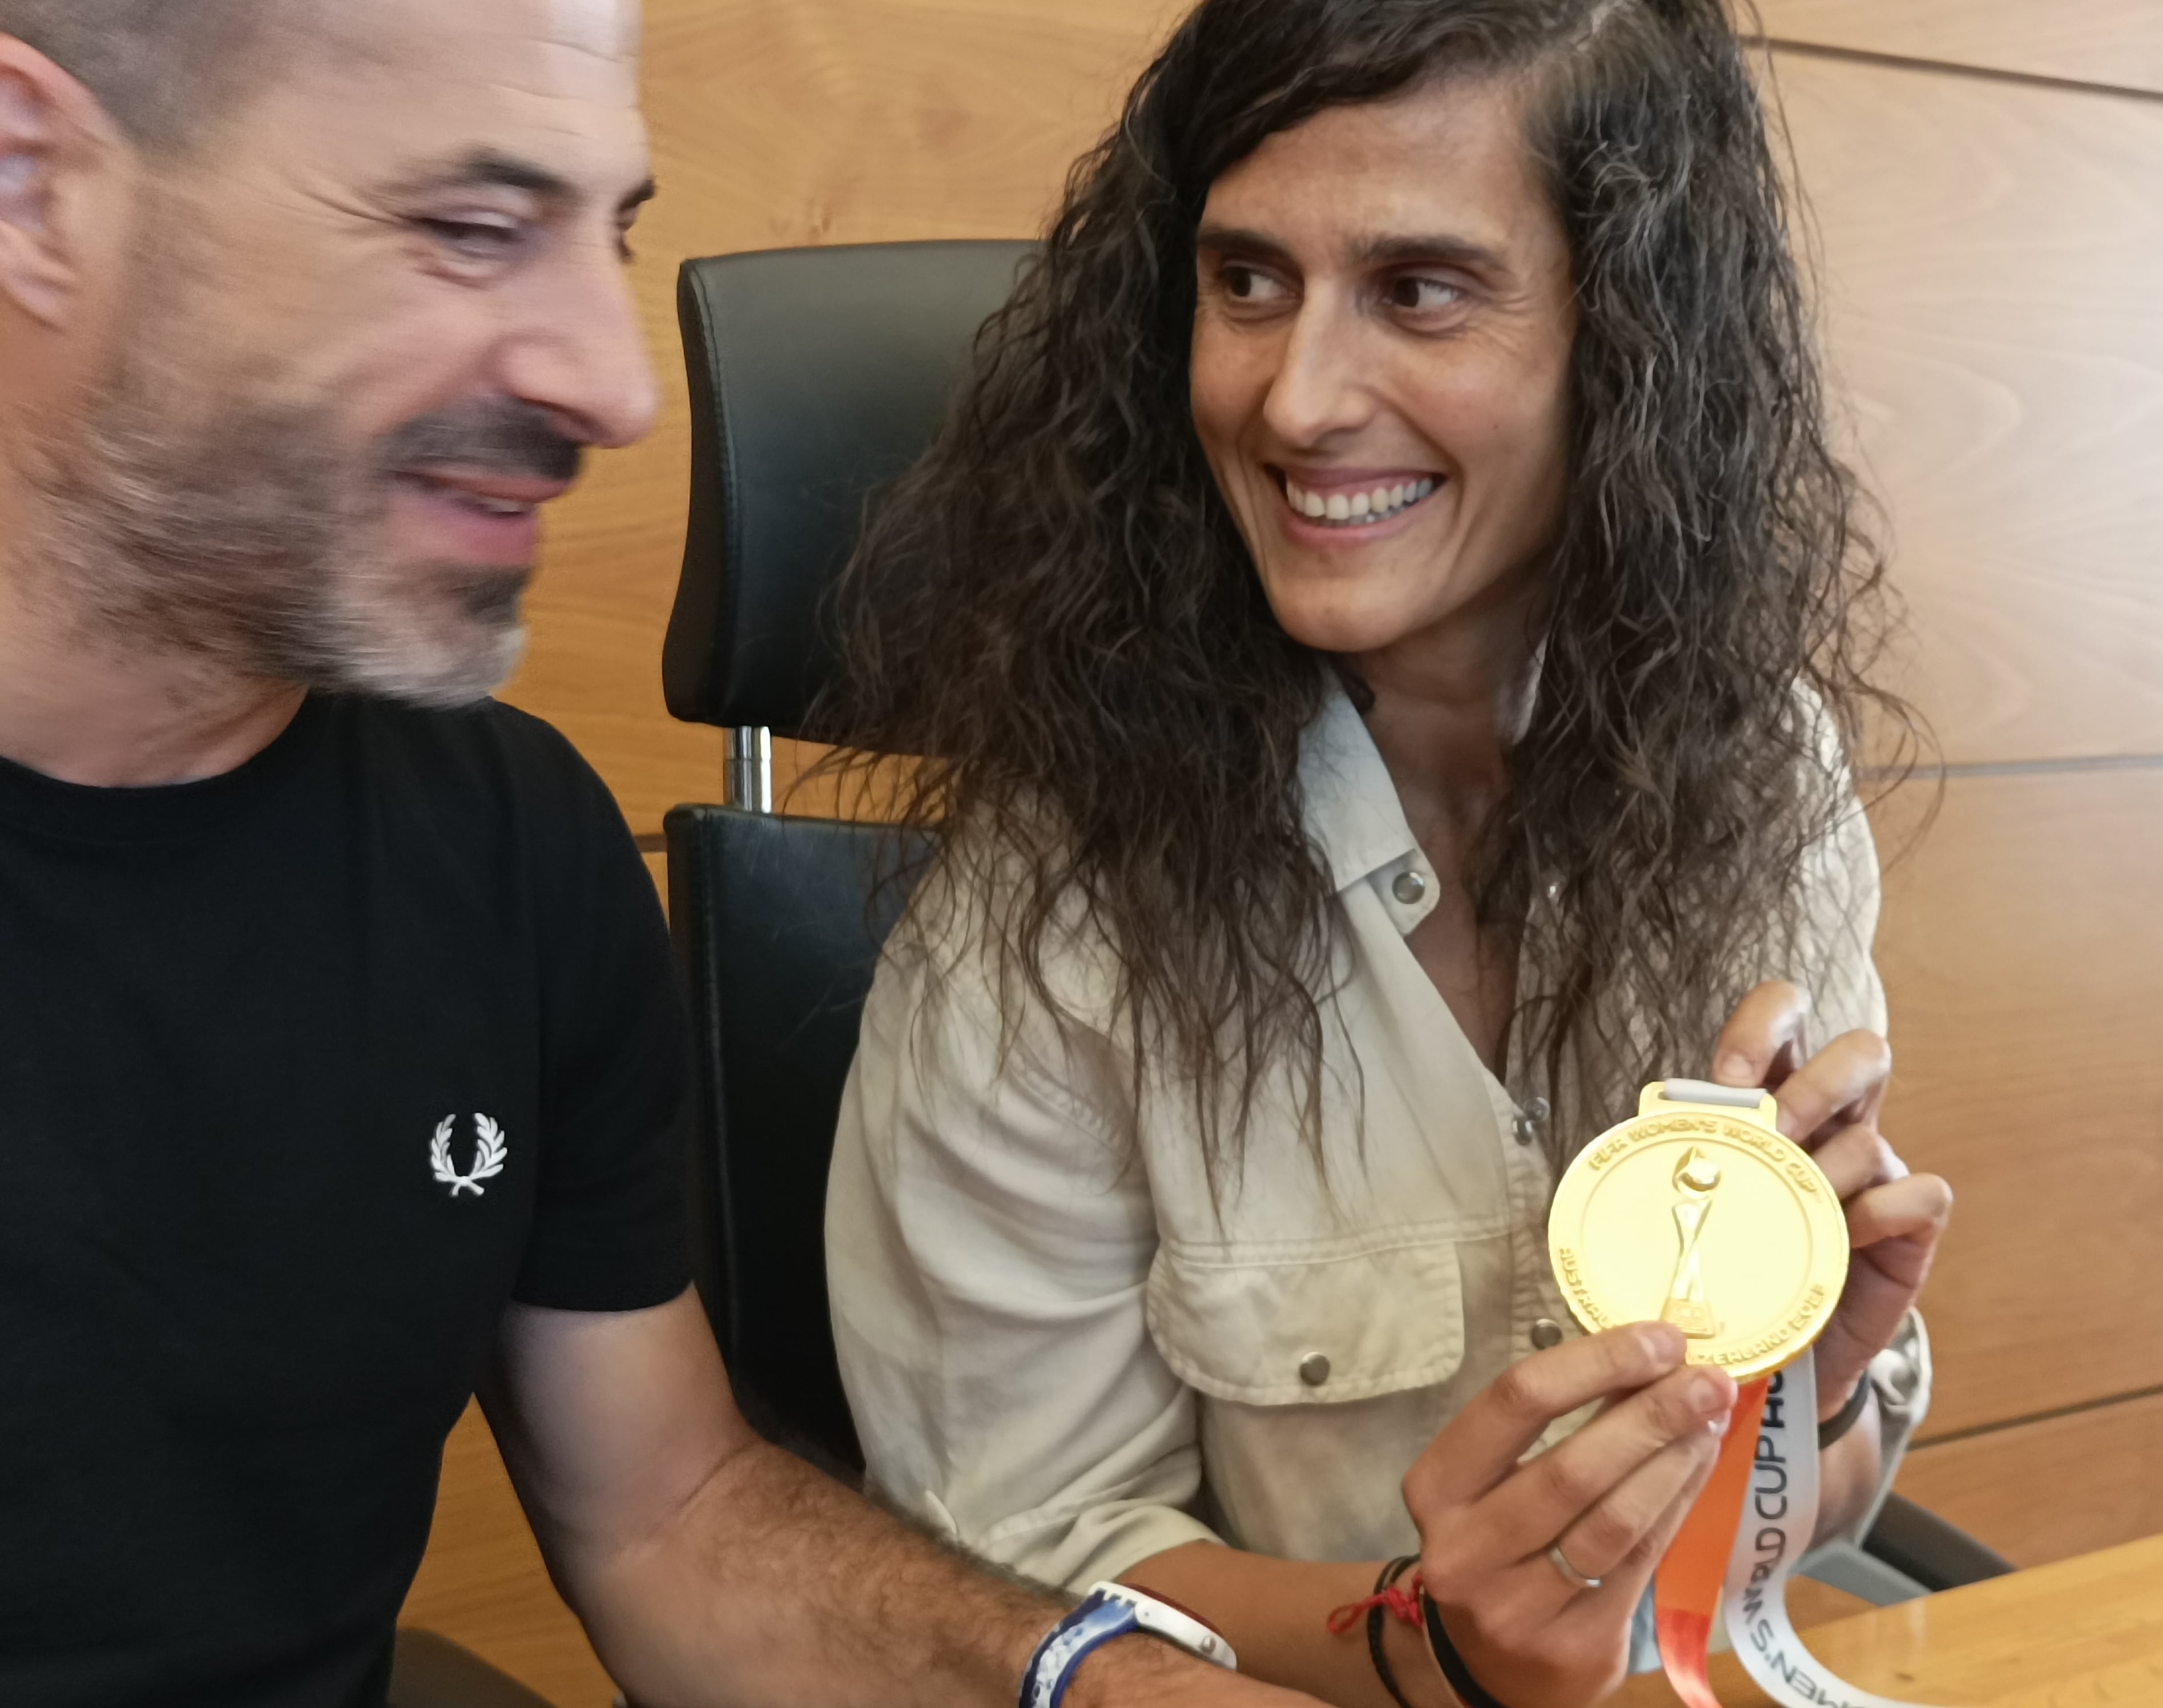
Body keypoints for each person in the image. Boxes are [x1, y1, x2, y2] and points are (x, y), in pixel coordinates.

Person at [0, 3, 1330, 1706]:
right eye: (469, 232)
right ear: (36, 187)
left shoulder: (507, 845)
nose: (614, 386)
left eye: (601, 233)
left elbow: (670, 1519)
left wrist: (1098, 1686)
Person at [823, 2, 1956, 1706]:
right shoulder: (1051, 913)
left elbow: (1807, 1502)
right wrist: (1434, 1642)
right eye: (1247, 283)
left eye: (1419, 290)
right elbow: (1033, 1570)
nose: (1294, 398)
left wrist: (1810, 1397)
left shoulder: (1762, 779)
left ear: (1632, 339)